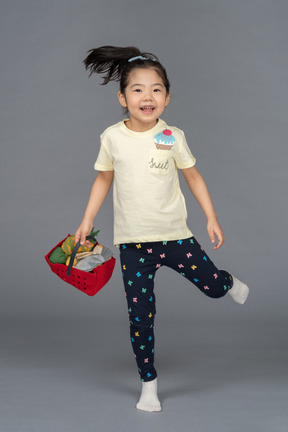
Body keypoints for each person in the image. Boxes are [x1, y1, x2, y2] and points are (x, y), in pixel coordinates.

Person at [75, 46, 249, 413]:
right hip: (133, 247)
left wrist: (211, 216)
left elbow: (193, 176)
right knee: (140, 317)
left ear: (167, 98)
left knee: (213, 288)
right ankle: (148, 383)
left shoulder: (172, 135)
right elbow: (103, 180)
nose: (147, 96)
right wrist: (87, 219)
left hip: (175, 239)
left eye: (156, 89)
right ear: (122, 97)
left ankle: (228, 283)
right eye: (137, 89)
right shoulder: (112, 138)